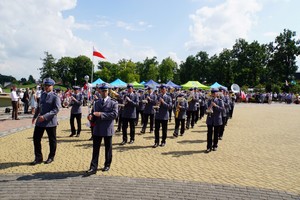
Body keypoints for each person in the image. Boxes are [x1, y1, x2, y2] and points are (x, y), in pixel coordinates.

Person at [85, 83, 118, 175]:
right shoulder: (96, 102)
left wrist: (101, 114)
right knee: (95, 149)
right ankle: (93, 167)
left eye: (105, 91)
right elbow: (93, 113)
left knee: (108, 148)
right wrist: (90, 116)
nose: (103, 92)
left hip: (107, 128)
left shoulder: (113, 102)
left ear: (108, 91)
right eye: (102, 91)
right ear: (99, 91)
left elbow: (114, 115)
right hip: (98, 128)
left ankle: (107, 164)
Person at [30, 78, 61, 165]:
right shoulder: (42, 95)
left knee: (52, 140)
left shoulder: (55, 96)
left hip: (50, 122)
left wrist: (45, 116)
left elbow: (56, 109)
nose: (46, 87)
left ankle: (51, 157)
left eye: (48, 86)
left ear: (52, 86)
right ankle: (38, 157)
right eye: (45, 86)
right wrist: (35, 116)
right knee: (36, 139)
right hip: (40, 121)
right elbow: (39, 107)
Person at [205, 88, 224, 153]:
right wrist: (209, 107)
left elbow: (222, 109)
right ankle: (208, 147)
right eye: (212, 93)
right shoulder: (208, 101)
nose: (213, 94)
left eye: (215, 93)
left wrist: (215, 106)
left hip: (217, 119)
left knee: (216, 133)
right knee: (209, 134)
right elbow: (205, 111)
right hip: (210, 119)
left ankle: (215, 145)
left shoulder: (220, 101)